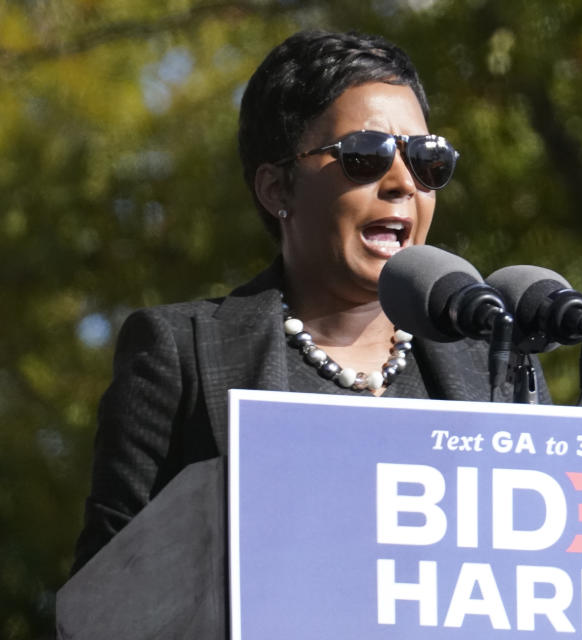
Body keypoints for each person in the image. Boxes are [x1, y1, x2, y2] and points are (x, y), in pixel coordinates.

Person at [71, 30, 549, 574]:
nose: (402, 183)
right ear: (277, 188)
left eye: (426, 158)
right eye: (365, 155)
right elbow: (105, 601)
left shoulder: (497, 362)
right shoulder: (178, 356)